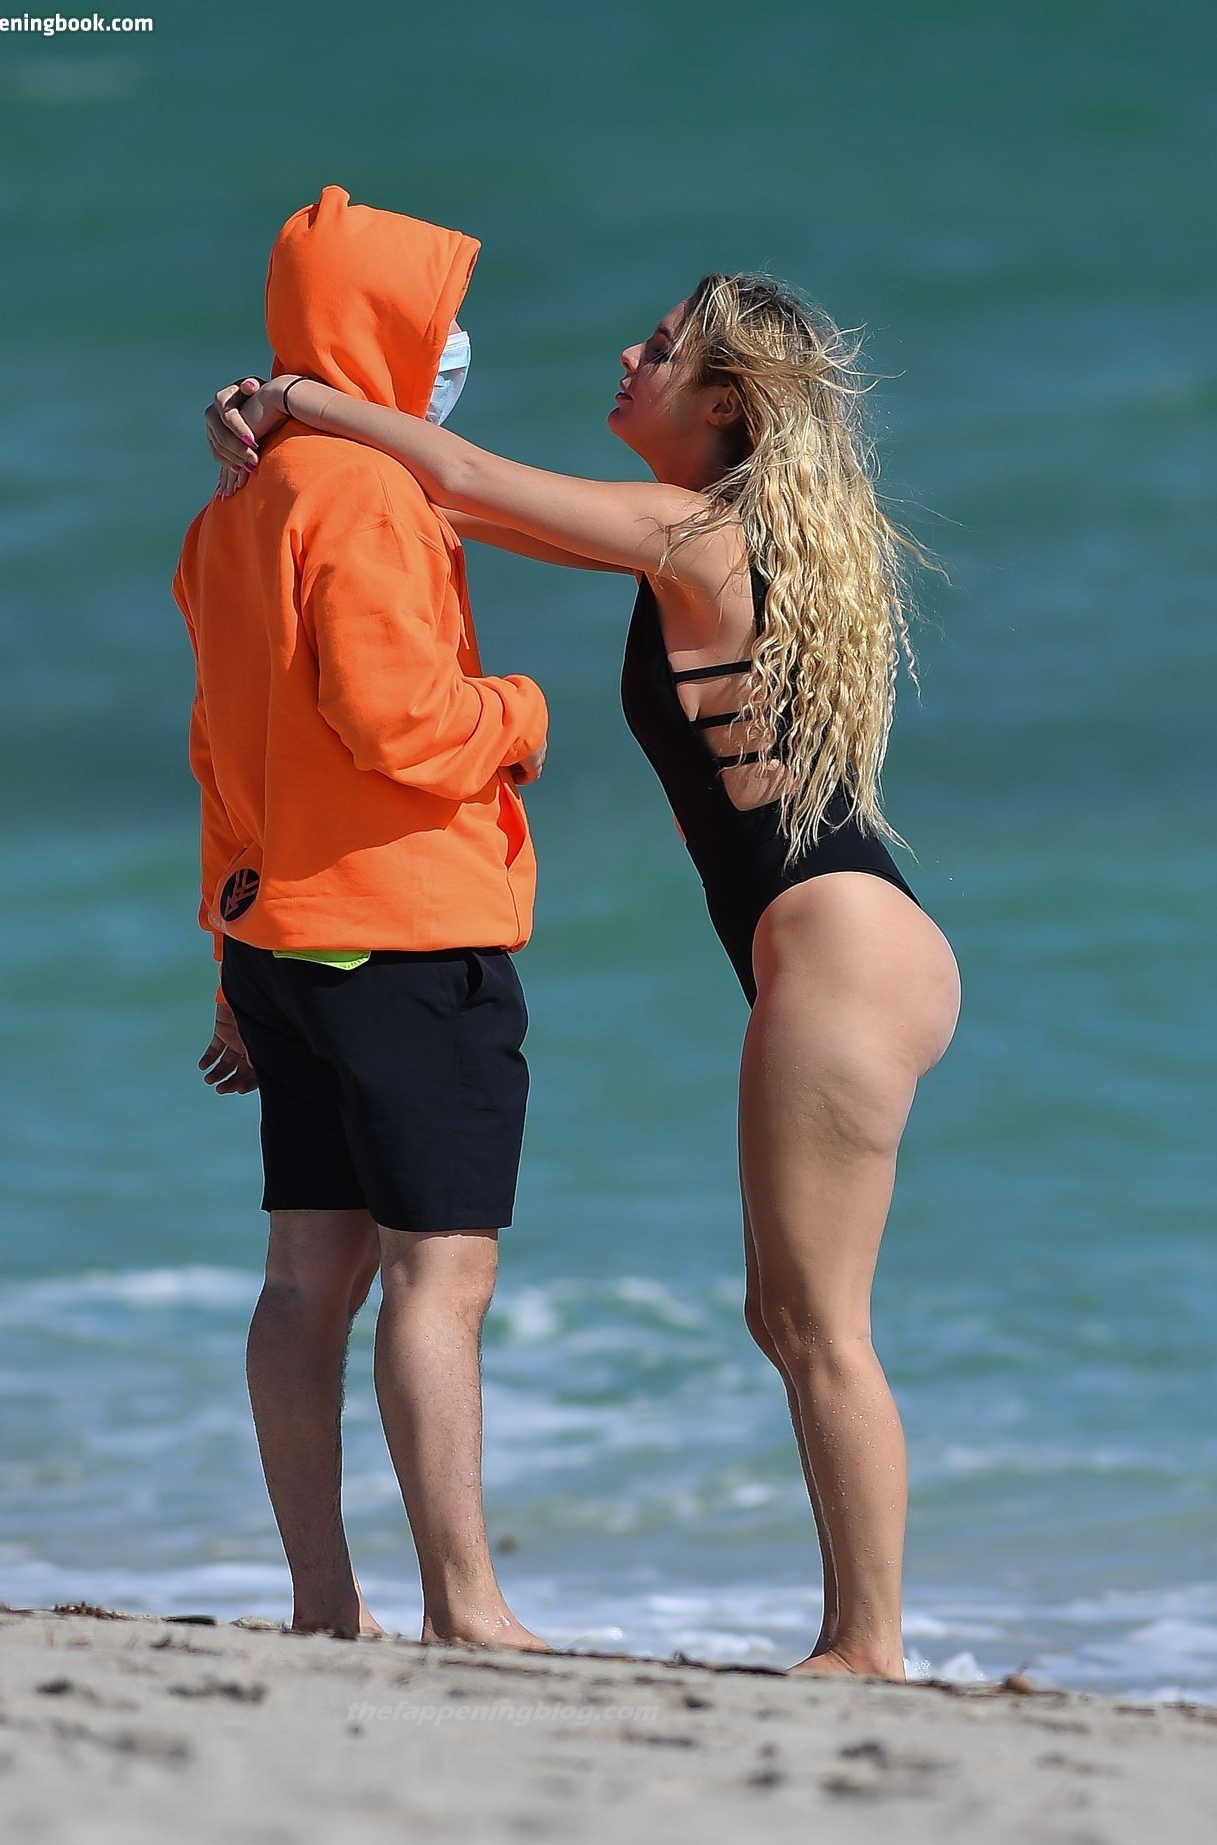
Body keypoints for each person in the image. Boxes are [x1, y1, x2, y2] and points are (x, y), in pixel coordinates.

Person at [207, 250, 962, 1681]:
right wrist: (281, 439)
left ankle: (867, 1647)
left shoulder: (696, 531)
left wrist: (297, 393)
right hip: (841, 938)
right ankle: (852, 1636)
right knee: (784, 1317)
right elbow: (438, 498)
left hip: (839, 943)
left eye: (662, 348)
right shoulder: (686, 533)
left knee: (817, 1324)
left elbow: (460, 472)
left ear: (725, 403)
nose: (629, 355)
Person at [175, 185, 550, 1651]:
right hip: (404, 933)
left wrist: (228, 956)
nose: (455, 350)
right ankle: (466, 1605)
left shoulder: (236, 504)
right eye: (441, 323)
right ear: (382, 334)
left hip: (281, 942)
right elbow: (401, 724)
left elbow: (221, 755)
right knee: (437, 1276)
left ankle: (324, 1605)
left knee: (302, 1276)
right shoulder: (368, 497)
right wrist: (520, 715)